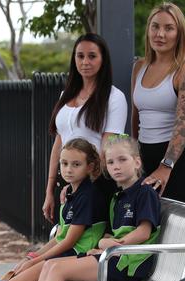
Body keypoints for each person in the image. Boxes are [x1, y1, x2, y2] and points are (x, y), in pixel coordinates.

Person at [27, 136, 161, 281]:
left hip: (130, 263)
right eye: (110, 162)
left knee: (57, 269)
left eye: (122, 160)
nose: (116, 166)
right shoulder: (119, 197)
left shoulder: (144, 192)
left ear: (137, 162)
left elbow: (144, 232)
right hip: (115, 256)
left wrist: (113, 244)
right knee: (50, 266)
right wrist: (104, 244)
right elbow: (115, 232)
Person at [5, 138, 107, 281]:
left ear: (90, 167)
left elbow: (68, 241)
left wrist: (35, 261)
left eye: (76, 164)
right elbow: (59, 236)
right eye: (64, 163)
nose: (68, 170)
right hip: (64, 253)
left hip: (76, 256)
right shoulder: (70, 193)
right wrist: (32, 257)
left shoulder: (88, 196)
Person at [42, 33, 128, 223]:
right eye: (80, 56)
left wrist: (81, 186)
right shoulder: (65, 95)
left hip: (95, 184)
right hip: (70, 181)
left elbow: (108, 149)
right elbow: (59, 143)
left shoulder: (114, 97)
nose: (85, 62)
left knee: (83, 245)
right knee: (62, 239)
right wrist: (49, 190)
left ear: (103, 60)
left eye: (92, 56)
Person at [131, 2, 185, 205]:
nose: (160, 34)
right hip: (145, 157)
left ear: (179, 33)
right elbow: (135, 118)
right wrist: (133, 157)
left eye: (168, 28)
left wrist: (166, 166)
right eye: (155, 26)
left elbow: (183, 126)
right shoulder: (139, 67)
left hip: (179, 162)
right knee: (147, 230)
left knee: (177, 231)